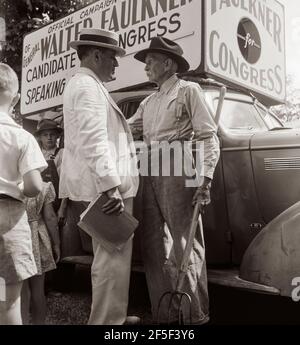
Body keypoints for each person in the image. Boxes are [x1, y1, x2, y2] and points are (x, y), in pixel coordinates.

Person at [128, 36, 220, 324]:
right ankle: (164, 315)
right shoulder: (148, 101)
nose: (146, 67)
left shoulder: (189, 91)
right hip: (149, 166)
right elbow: (127, 129)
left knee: (185, 241)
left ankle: (195, 316)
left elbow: (207, 135)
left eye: (151, 61)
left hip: (179, 162)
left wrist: (204, 179)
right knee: (153, 244)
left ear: (168, 63)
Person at [59, 28, 139, 325]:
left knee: (113, 258)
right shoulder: (87, 87)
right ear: (95, 55)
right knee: (111, 260)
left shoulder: (85, 85)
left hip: (99, 187)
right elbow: (94, 140)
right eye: (112, 58)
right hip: (103, 189)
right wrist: (111, 187)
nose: (116, 64)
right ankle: (107, 323)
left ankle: (112, 315)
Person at [0, 63, 47, 325]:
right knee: (9, 302)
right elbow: (35, 186)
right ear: (16, 99)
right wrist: (18, 188)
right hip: (9, 218)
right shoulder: (23, 137)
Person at [23, 181, 60, 324]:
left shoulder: (9, 186)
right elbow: (50, 218)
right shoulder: (43, 187)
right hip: (37, 239)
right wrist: (57, 243)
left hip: (17, 235)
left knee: (21, 290)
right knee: (38, 290)